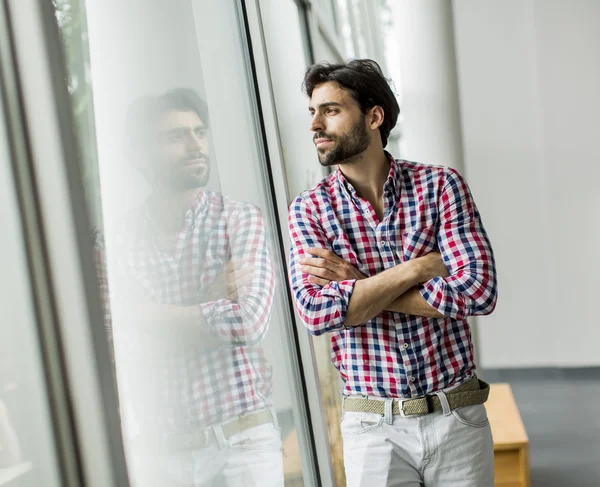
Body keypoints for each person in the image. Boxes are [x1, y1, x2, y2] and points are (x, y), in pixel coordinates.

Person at [288, 59, 498, 486]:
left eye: (330, 110)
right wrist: (418, 268)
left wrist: (359, 288)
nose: (315, 124)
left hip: (457, 416)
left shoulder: (440, 187)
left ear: (374, 116)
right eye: (312, 112)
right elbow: (315, 313)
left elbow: (477, 291)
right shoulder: (309, 210)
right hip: (373, 430)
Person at [94, 88, 283, 486]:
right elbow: (115, 350)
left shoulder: (238, 220)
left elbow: (248, 322)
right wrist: (205, 301)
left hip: (244, 444)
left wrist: (144, 314)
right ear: (138, 155)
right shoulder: (111, 243)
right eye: (175, 136)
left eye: (199, 132)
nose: (195, 145)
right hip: (163, 457)